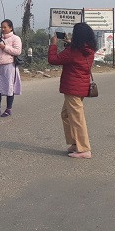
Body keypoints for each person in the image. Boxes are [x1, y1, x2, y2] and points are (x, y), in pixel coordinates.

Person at [48, 22, 97, 159]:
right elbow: (77, 53)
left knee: (76, 118)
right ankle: (76, 143)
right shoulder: (89, 50)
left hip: (72, 87)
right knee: (66, 115)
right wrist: (70, 43)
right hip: (81, 86)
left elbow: (53, 59)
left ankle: (84, 149)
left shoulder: (72, 52)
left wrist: (53, 44)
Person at [0, 19, 22, 117]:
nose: (3, 29)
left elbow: (17, 51)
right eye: (1, 27)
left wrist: (5, 47)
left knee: (9, 87)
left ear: (10, 28)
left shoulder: (16, 38)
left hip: (9, 66)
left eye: (5, 27)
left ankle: (8, 109)